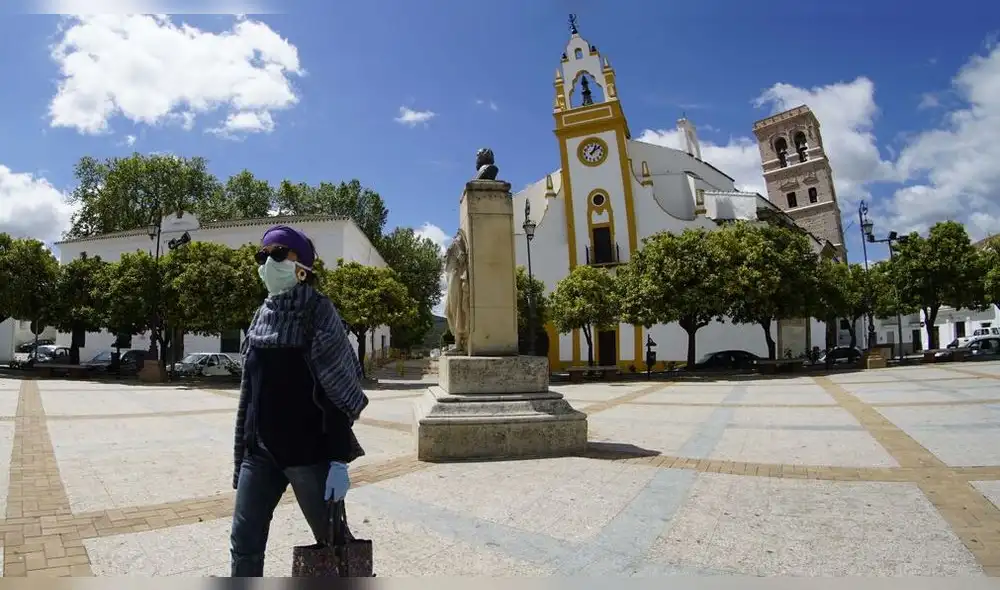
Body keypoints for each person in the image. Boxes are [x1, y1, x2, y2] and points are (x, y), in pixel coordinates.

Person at [230, 225, 369, 577]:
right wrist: (244, 448)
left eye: (277, 255)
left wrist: (338, 460)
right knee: (243, 544)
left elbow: (337, 389)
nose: (266, 264)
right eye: (261, 257)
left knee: (333, 544)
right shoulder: (262, 314)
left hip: (308, 455)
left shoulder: (319, 313)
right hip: (258, 456)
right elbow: (252, 389)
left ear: (302, 267)